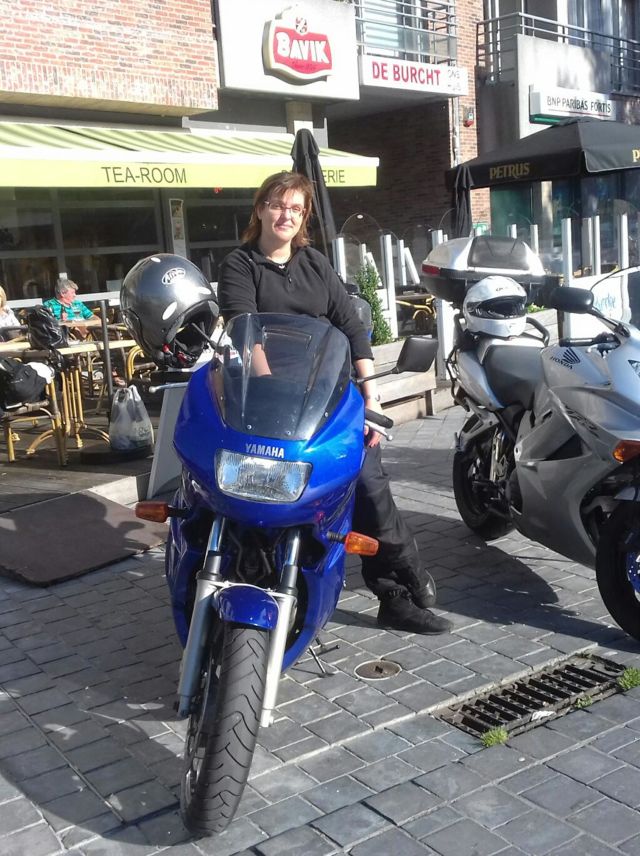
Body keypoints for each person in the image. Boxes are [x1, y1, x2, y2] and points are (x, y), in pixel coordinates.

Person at [218, 171, 452, 634]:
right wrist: (268, 389)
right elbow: (244, 330)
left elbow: (350, 325)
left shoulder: (315, 262)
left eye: (296, 208)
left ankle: (397, 588)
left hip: (326, 393)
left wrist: (370, 395)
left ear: (304, 217)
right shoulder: (240, 264)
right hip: (266, 397)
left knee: (367, 483)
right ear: (260, 208)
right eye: (278, 205)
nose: (286, 215)